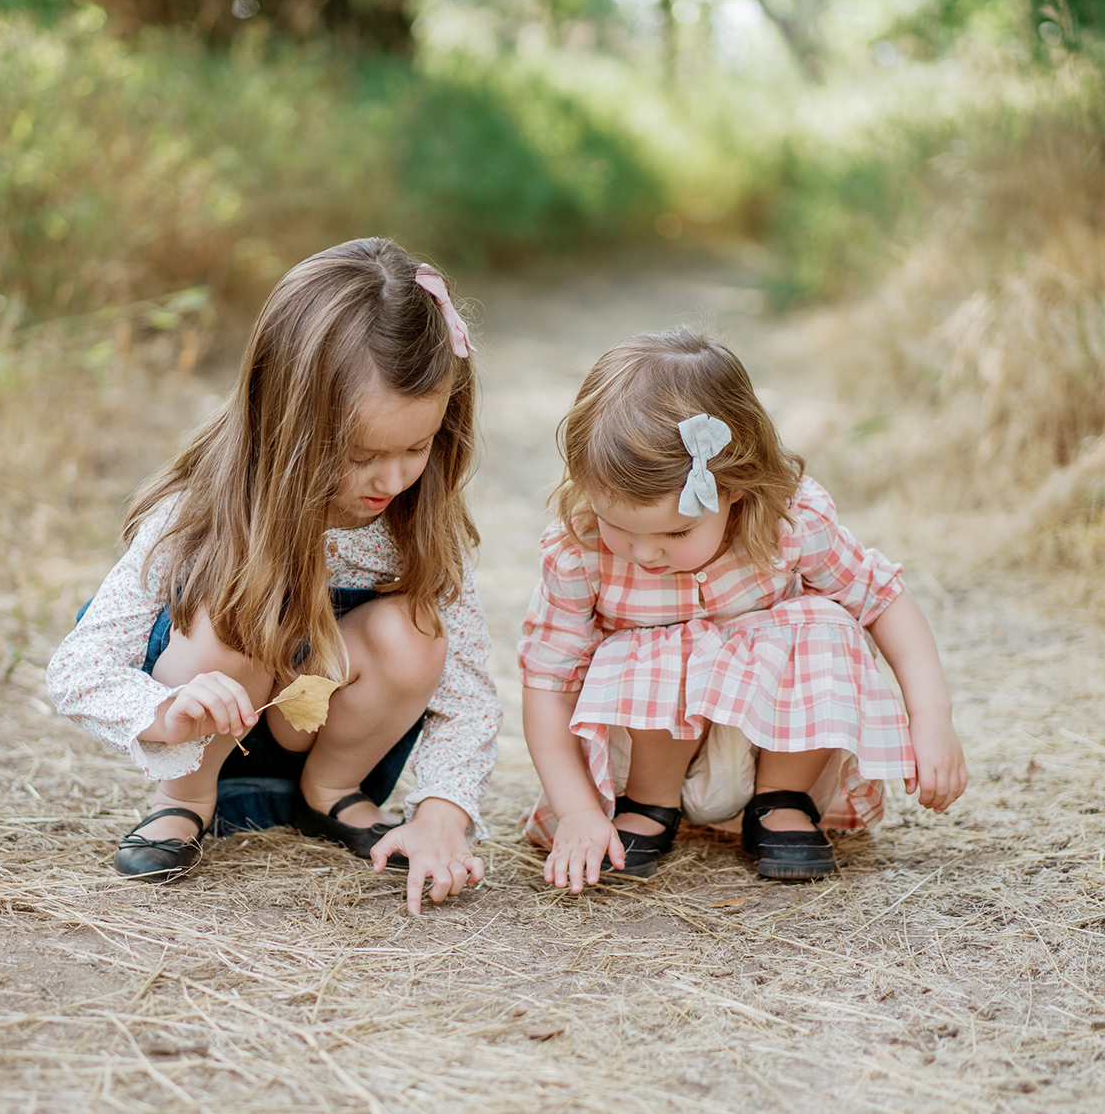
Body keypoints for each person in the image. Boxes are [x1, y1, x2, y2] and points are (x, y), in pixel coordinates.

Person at [47, 238, 501, 915]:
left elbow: (467, 689)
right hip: (206, 732)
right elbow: (77, 669)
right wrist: (166, 712)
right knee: (228, 609)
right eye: (359, 454)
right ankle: (186, 803)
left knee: (416, 631)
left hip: (331, 733)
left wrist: (442, 812)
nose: (393, 478)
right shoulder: (201, 513)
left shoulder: (413, 524)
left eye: (416, 446)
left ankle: (331, 792)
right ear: (285, 424)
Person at [518, 328, 966, 890]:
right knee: (654, 647)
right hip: (645, 754)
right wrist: (578, 809)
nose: (644, 552)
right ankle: (647, 807)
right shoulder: (580, 551)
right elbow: (547, 682)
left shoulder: (788, 524)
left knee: (827, 622)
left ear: (734, 488)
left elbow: (884, 600)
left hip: (767, 747)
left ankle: (782, 804)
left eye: (675, 531)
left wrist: (931, 718)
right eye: (620, 527)